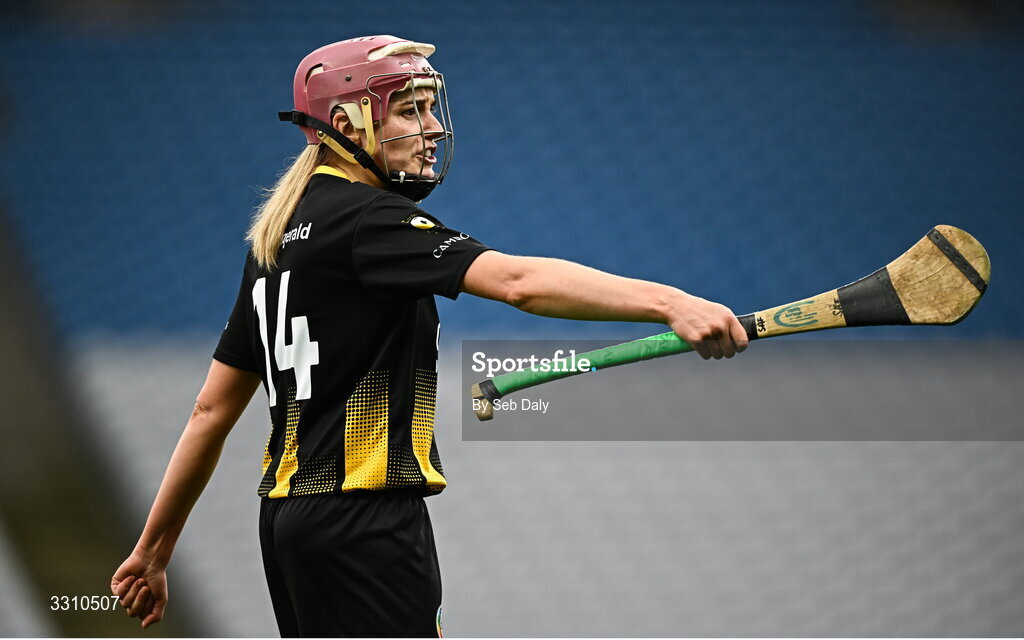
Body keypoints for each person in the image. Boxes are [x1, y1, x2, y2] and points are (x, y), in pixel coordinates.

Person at [110, 35, 748, 637]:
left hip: (289, 522)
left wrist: (153, 549)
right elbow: (518, 281)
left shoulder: (277, 238)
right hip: (365, 519)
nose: (432, 127)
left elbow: (210, 409)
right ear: (349, 122)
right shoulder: (370, 221)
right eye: (409, 111)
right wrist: (671, 303)